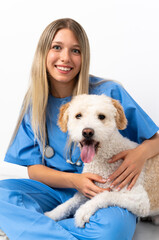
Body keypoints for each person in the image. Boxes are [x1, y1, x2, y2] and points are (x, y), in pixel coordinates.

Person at [0, 18, 159, 240]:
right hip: (55, 191)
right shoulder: (34, 103)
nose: (65, 57)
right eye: (57, 47)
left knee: (114, 229)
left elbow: (156, 140)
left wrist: (139, 155)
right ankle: (65, 231)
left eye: (75, 50)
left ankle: (29, 230)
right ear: (43, 52)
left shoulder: (108, 92)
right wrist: (75, 182)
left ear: (84, 57)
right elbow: (33, 169)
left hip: (105, 192)